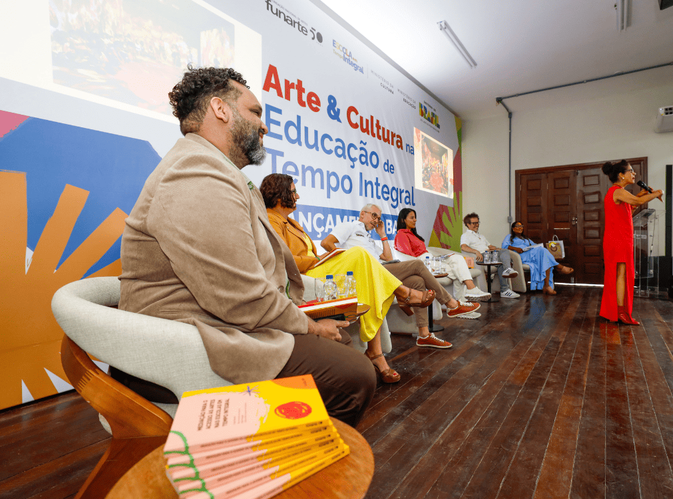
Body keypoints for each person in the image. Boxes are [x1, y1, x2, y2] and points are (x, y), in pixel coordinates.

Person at [118, 66, 375, 427]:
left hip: (219, 325)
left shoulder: (219, 172)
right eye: (255, 112)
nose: (264, 125)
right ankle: (281, 468)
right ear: (221, 110)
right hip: (182, 348)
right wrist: (311, 327)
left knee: (343, 349)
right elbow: (240, 295)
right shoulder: (195, 172)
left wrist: (310, 314)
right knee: (353, 377)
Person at [262, 173, 426, 384]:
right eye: (293, 192)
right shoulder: (270, 220)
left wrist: (323, 258)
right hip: (306, 273)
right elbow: (281, 259)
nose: (298, 196)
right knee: (359, 254)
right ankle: (402, 293)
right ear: (279, 195)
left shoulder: (291, 222)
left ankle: (376, 352)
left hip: (317, 265)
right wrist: (316, 260)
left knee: (365, 270)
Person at [321, 204, 482, 347]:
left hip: (382, 269)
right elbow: (326, 243)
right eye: (373, 215)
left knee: (417, 281)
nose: (376, 219)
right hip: (367, 272)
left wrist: (382, 234)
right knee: (418, 265)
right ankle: (451, 304)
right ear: (362, 214)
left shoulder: (369, 238)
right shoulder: (350, 226)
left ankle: (424, 334)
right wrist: (347, 261)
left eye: (378, 217)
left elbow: (388, 258)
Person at [599, 160, 663, 324]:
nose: (634, 174)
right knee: (620, 274)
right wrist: (657, 193)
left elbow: (630, 206)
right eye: (631, 171)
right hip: (618, 238)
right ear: (621, 175)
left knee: (621, 274)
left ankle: (615, 310)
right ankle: (620, 312)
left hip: (621, 237)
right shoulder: (617, 191)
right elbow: (637, 202)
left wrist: (642, 194)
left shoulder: (620, 192)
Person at [395, 208, 492, 302]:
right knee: (457, 269)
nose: (415, 220)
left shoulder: (413, 234)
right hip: (422, 263)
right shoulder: (401, 235)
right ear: (403, 220)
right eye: (412, 218)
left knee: (457, 258)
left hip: (430, 258)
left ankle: (467, 294)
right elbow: (408, 257)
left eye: (415, 217)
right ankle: (462, 301)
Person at [459, 213, 520, 299]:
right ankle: (508, 270)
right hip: (481, 257)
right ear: (468, 224)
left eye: (477, 222)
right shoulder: (466, 235)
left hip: (489, 254)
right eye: (474, 223)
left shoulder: (481, 236)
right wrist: (476, 251)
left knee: (503, 255)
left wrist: (496, 248)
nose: (476, 225)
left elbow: (489, 246)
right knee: (503, 255)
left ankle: (504, 290)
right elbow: (463, 247)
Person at [502, 222, 573, 295]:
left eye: (521, 226)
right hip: (522, 256)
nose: (520, 228)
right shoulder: (509, 237)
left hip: (532, 255)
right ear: (513, 229)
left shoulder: (526, 239)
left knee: (544, 255)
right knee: (543, 252)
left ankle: (546, 285)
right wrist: (516, 248)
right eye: (517, 226)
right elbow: (504, 246)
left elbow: (535, 246)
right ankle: (558, 267)